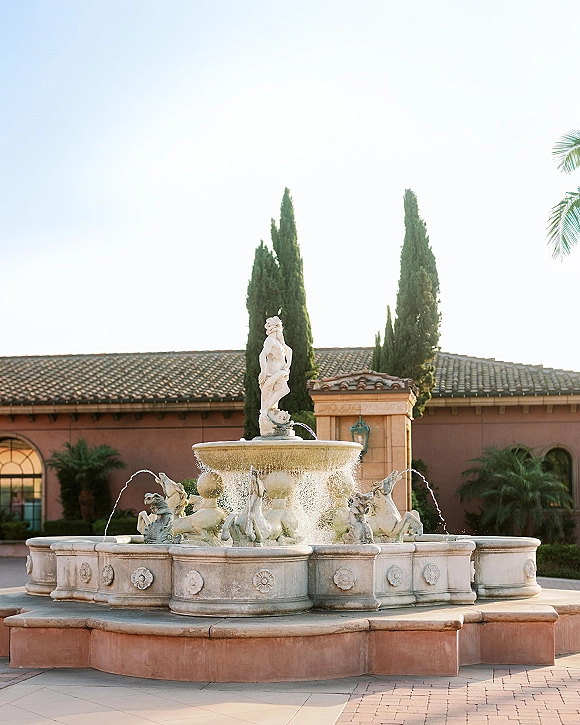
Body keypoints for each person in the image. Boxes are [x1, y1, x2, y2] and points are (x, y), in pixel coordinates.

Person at [258, 317, 293, 435]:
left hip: (279, 371)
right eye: (279, 327)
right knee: (284, 389)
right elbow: (262, 355)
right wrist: (263, 371)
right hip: (272, 371)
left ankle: (268, 410)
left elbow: (289, 351)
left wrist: (287, 365)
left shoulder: (278, 342)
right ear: (275, 328)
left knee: (281, 391)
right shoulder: (270, 340)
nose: (280, 329)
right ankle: (265, 410)